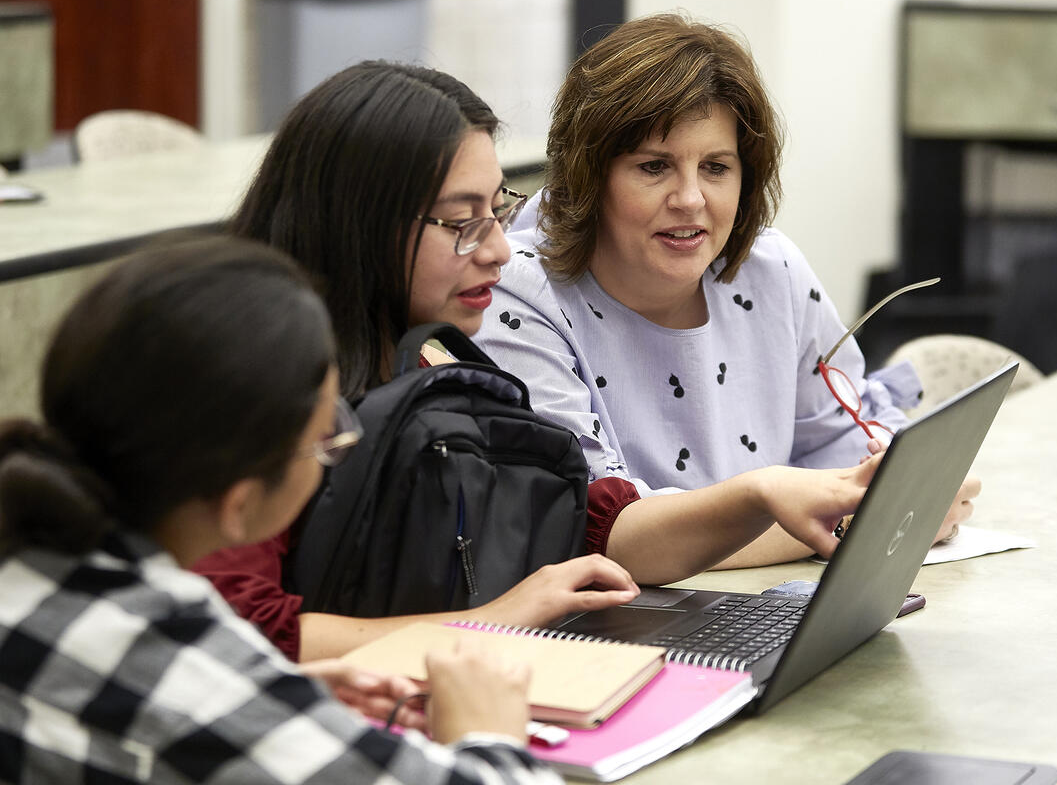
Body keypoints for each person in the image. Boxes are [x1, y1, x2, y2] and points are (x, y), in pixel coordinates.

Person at [193, 61, 884, 662]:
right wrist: (495, 623)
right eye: (462, 222)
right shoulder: (242, 380)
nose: (497, 250)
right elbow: (238, 634)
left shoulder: (434, 364)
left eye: (499, 210)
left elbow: (592, 519)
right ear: (360, 222)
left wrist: (758, 492)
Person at [0, 237, 561, 784]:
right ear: (239, 505)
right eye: (326, 440)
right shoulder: (187, 667)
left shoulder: (40, 559)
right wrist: (488, 732)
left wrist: (281, 698)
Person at [473, 14, 978, 569]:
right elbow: (605, 535)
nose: (690, 199)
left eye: (716, 167)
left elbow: (839, 444)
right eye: (654, 166)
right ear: (588, 175)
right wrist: (875, 517)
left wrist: (903, 485)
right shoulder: (515, 294)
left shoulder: (771, 267)